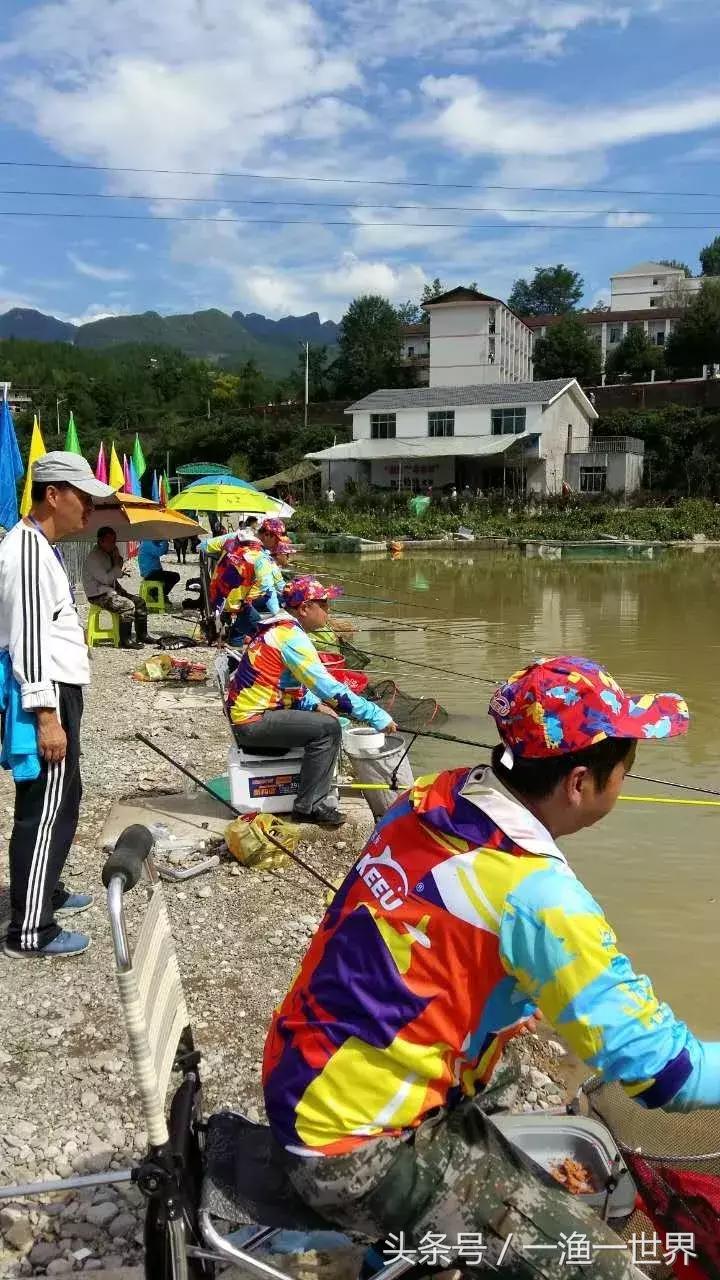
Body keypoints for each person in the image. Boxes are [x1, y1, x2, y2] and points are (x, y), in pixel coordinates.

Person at [261, 655, 719, 1277]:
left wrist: (505, 998)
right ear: (580, 783)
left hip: (302, 1072)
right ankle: (391, 1232)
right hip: (348, 1149)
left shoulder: (434, 798)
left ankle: (412, 1238)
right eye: (625, 772)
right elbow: (665, 1074)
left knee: (506, 1081)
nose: (626, 783)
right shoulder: (540, 898)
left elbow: (438, 939)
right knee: (607, 1268)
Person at [0, 452, 115, 958]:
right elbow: (25, 641)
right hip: (43, 694)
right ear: (53, 494)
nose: (89, 508)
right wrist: (45, 715)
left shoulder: (42, 548)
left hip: (57, 689)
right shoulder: (25, 549)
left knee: (64, 797)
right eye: (83, 497)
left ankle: (46, 889)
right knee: (44, 809)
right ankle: (31, 930)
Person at [226, 576, 394, 828]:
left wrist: (313, 704)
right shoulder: (291, 637)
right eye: (324, 605)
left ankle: (311, 794)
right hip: (253, 722)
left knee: (327, 719)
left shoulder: (281, 629)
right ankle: (309, 806)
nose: (328, 611)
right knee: (328, 729)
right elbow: (329, 689)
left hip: (252, 714)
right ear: (305, 608)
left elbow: (289, 684)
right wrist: (376, 715)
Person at [208, 517, 285, 645]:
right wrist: (278, 615)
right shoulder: (260, 556)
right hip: (235, 601)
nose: (278, 544)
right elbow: (269, 589)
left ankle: (234, 645)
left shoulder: (235, 537)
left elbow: (205, 546)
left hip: (217, 594)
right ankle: (238, 655)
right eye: (276, 540)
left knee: (243, 623)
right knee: (263, 630)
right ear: (266, 535)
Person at [82, 527, 149, 650]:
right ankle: (125, 640)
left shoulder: (109, 552)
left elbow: (115, 570)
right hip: (98, 594)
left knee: (140, 602)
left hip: (111, 589)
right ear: (101, 541)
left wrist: (117, 559)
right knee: (128, 605)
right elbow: (106, 579)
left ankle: (142, 635)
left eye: (114, 540)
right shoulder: (94, 558)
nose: (114, 544)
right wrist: (118, 566)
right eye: (110, 541)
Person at [137, 538, 180, 603]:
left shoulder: (147, 542)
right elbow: (161, 552)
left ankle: (159, 594)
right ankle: (156, 593)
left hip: (151, 572)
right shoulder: (147, 543)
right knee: (175, 576)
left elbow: (164, 551)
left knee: (170, 577)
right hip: (150, 573)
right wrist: (165, 540)